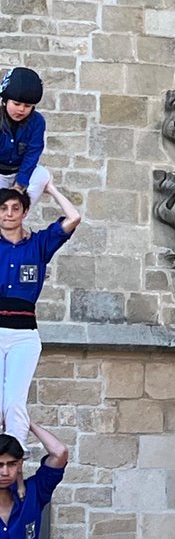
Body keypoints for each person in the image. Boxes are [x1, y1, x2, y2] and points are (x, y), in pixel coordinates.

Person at [0, 184, 81, 445]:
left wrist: (51, 189)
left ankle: (14, 465)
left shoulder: (39, 244)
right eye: (2, 209)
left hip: (24, 336)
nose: (8, 214)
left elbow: (74, 218)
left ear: (25, 212)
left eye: (15, 208)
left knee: (14, 403)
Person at [0, 70, 50, 208]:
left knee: (42, 174)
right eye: (16, 104)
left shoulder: (37, 121)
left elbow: (32, 153)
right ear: (5, 101)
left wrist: (19, 185)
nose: (21, 110)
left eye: (27, 106)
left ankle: (19, 215)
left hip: (19, 172)